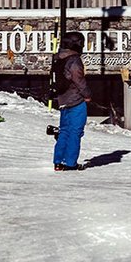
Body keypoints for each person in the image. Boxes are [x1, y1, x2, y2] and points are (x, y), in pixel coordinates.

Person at [51, 30, 91, 171]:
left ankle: (58, 161)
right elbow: (79, 80)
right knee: (75, 132)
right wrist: (87, 95)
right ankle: (70, 163)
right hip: (76, 100)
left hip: (62, 99)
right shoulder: (74, 60)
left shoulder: (58, 58)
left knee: (64, 131)